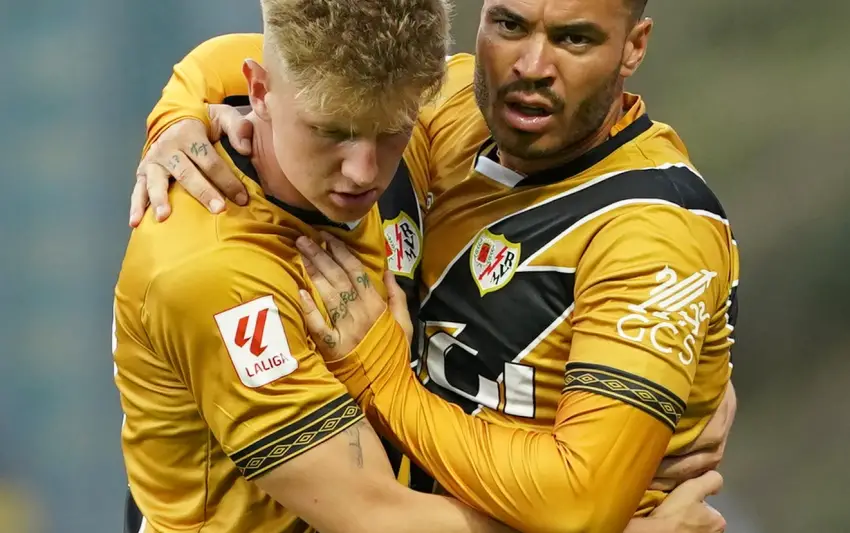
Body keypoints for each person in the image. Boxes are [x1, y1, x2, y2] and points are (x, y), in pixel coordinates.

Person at [129, 0, 737, 532]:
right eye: (509, 24)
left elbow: (579, 508)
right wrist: (178, 112)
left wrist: (385, 377)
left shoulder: (655, 234)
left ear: (634, 45)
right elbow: (281, 56)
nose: (531, 66)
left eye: (574, 38)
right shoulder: (447, 112)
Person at [113, 1, 522, 532]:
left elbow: (217, 59)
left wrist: (178, 108)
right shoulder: (215, 274)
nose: (364, 172)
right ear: (260, 92)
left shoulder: (334, 91)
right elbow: (376, 516)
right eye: (333, 131)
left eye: (393, 130)